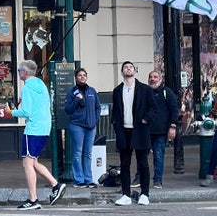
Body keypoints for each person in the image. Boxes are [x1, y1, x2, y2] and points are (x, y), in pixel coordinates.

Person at [8, 60, 66, 210]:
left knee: (27, 164)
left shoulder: (27, 88)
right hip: (44, 127)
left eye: (20, 70)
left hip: (33, 129)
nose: (19, 72)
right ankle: (56, 185)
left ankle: (33, 199)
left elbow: (27, 112)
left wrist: (10, 112)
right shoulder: (41, 85)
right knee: (33, 162)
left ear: (25, 73)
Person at [110, 61, 157, 205]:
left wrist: (145, 119)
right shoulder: (118, 90)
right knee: (125, 164)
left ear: (134, 71)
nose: (128, 69)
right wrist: (115, 124)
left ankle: (145, 194)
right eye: (125, 67)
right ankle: (126, 195)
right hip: (124, 131)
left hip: (140, 130)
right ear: (122, 71)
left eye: (130, 67)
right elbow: (116, 112)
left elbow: (153, 108)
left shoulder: (144, 89)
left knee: (143, 163)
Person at [64, 67, 100, 189]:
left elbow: (97, 107)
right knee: (77, 153)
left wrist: (95, 120)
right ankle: (79, 180)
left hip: (90, 126)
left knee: (88, 153)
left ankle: (89, 179)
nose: (82, 77)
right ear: (76, 78)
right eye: (80, 75)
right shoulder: (72, 92)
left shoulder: (92, 91)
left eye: (84, 75)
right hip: (77, 125)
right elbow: (68, 109)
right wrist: (76, 100)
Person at [146, 70, 180, 189]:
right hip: (146, 130)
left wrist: (173, 127)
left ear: (160, 79)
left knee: (159, 156)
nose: (152, 79)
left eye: (155, 77)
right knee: (142, 157)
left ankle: (158, 180)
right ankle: (139, 178)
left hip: (160, 131)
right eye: (150, 77)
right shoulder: (145, 92)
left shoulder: (167, 92)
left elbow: (174, 110)